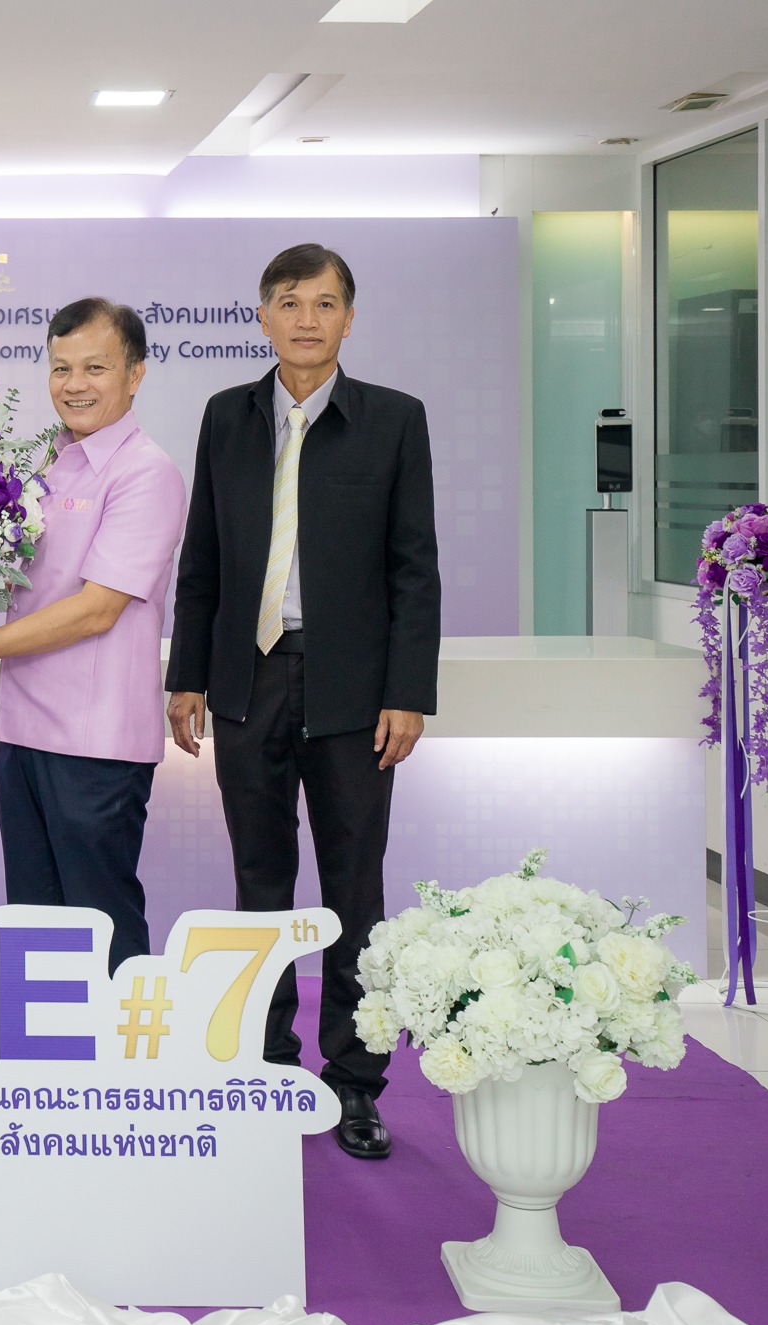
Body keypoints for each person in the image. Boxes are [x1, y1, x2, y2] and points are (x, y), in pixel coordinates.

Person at [165, 243, 441, 1161]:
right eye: (289, 302)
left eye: (325, 303)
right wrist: (188, 674)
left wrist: (408, 691)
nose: (307, 319)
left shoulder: (394, 419)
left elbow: (414, 568)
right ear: (264, 316)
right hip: (248, 680)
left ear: (349, 318)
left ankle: (356, 1080)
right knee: (260, 884)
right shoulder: (227, 416)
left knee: (355, 888)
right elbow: (203, 554)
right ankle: (270, 1062)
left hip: (353, 690)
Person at [0, 299, 186, 974]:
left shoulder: (146, 472)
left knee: (99, 921)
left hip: (95, 741)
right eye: (61, 368)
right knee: (36, 924)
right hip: (24, 728)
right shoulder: (50, 465)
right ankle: (51, 1045)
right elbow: (22, 583)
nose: (74, 384)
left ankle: (120, 1043)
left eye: (95, 367)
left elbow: (95, 609)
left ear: (136, 374)